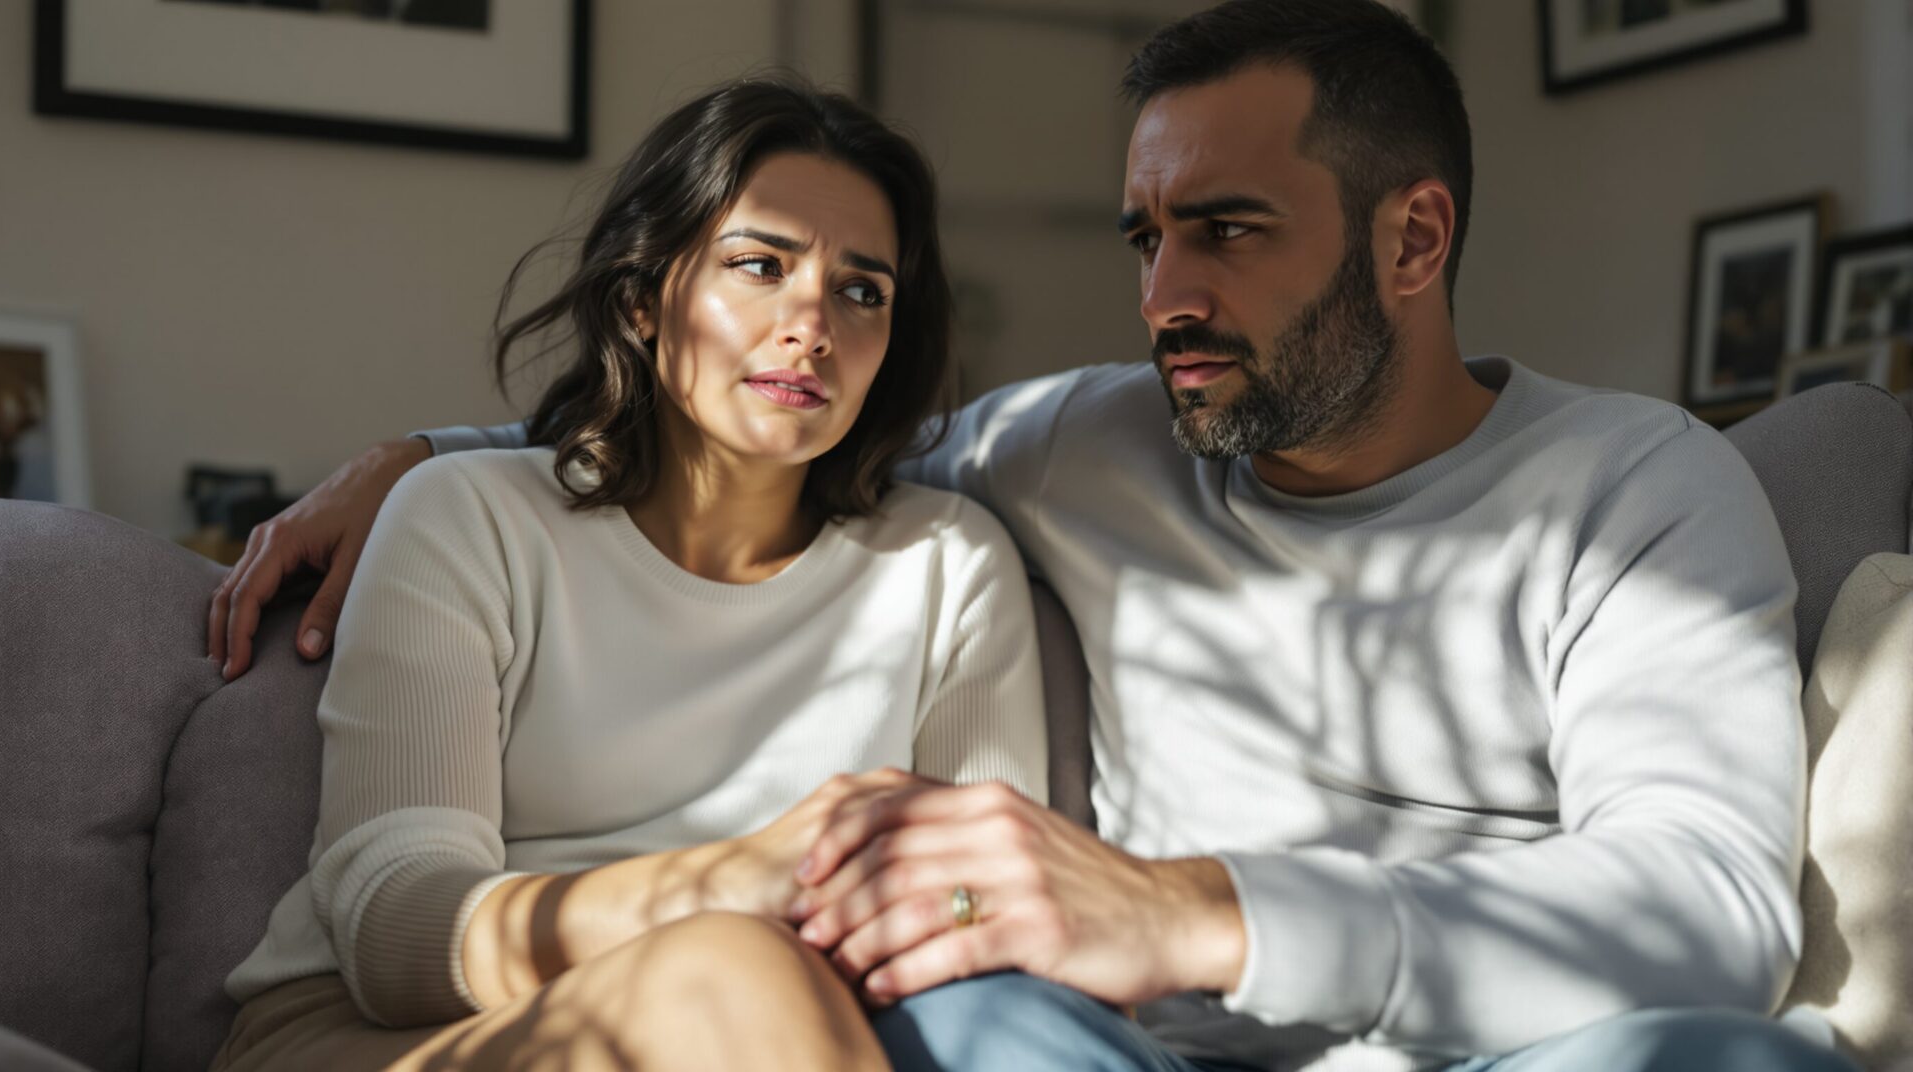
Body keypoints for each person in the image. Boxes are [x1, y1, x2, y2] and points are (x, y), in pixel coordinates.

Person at [210, 2, 1860, 1070]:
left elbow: (1710, 910)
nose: (1162, 301)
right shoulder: (1088, 441)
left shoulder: (1638, 489)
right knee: (987, 1016)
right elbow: (761, 437)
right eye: (1147, 236)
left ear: (1413, 236)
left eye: (1223, 231)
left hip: (1488, 1045)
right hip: (1104, 1047)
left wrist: (1196, 910)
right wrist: (428, 455)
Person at [208, 78, 1047, 1072]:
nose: (812, 322)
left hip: (800, 1032)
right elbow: (395, 932)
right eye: (759, 265)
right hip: (393, 1037)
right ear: (645, 301)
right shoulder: (466, 517)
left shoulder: (949, 564)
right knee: (734, 972)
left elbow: (977, 915)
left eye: (862, 290)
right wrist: (740, 883)